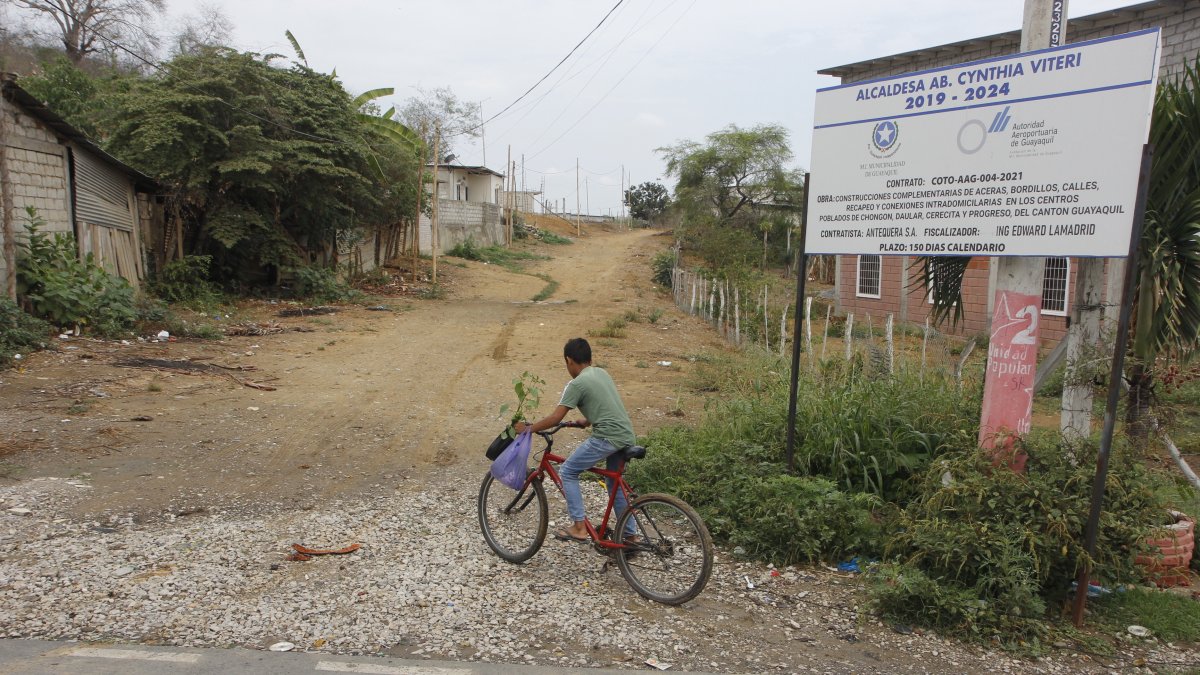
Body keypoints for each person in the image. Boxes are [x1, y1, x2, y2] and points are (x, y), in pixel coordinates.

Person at [515, 337, 638, 543]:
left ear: (569, 360)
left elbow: (556, 418)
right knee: (613, 483)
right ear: (590, 358)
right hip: (625, 435)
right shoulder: (601, 373)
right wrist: (587, 420)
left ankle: (579, 528)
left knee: (568, 471)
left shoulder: (577, 384)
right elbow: (605, 403)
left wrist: (528, 429)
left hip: (607, 437)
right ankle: (630, 536)